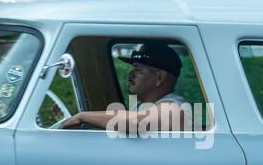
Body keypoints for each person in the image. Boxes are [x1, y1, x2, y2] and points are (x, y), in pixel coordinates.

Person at [60, 41, 189, 134]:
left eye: (138, 70)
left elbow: (139, 122)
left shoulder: (174, 108)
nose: (130, 75)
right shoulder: (142, 106)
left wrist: (82, 116)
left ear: (160, 77)